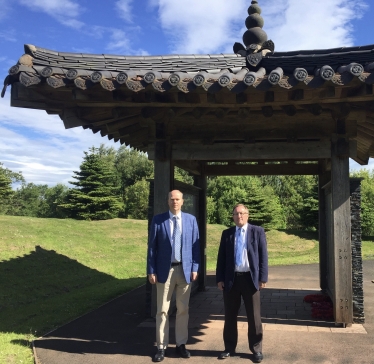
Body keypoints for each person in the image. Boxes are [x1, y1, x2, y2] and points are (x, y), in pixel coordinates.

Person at [147, 190, 200, 362]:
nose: (174, 202)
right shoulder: (158, 220)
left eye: (177, 199)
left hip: (184, 271)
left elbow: (195, 247)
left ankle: (181, 344)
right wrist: (151, 270)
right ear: (167, 201)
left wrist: (195, 267)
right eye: (172, 199)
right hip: (164, 271)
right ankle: (161, 347)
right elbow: (152, 248)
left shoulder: (191, 220)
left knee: (183, 309)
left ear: (183, 201)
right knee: (162, 310)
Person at [216, 203, 268, 363]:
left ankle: (256, 349)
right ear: (232, 216)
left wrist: (263, 278)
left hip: (250, 280)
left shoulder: (257, 232)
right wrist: (220, 278)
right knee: (230, 316)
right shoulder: (227, 234)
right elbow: (221, 258)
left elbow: (263, 256)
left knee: (254, 317)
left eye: (242, 213)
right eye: (236, 214)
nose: (239, 216)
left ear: (247, 215)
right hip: (232, 280)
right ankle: (229, 348)